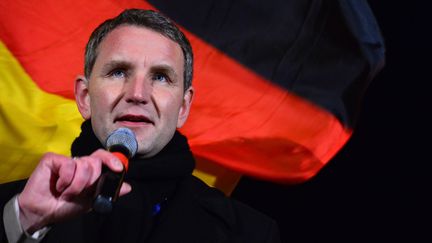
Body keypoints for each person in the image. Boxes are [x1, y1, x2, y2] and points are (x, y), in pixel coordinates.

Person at [0, 9, 280, 243]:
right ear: (84, 98)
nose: (137, 93)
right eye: (119, 71)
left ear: (183, 107)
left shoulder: (250, 233)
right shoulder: (14, 209)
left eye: (160, 77)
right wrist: (24, 223)